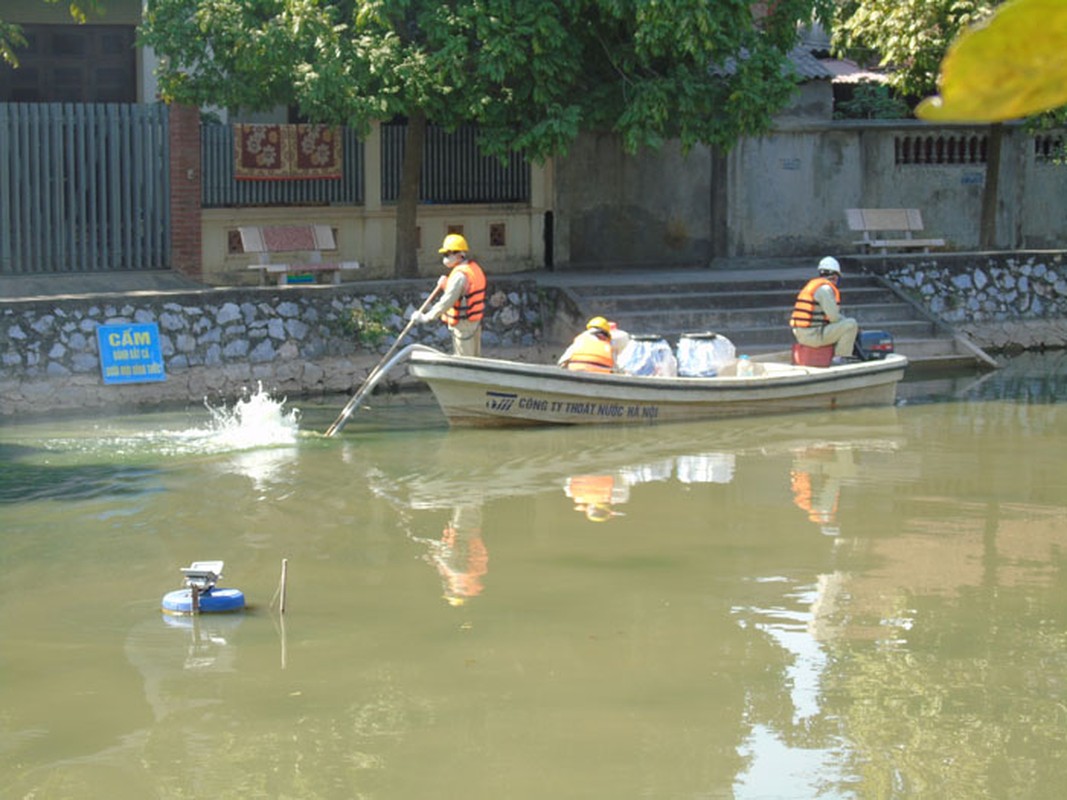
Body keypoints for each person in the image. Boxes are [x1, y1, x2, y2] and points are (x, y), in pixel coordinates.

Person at [411, 233, 487, 356]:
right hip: (473, 323)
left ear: (459, 255)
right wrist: (447, 285)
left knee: (465, 362)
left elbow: (446, 302)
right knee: (474, 358)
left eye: (447, 254)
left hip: (464, 325)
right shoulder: (473, 268)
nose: (445, 258)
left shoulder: (459, 275)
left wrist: (426, 317)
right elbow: (463, 294)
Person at [789, 256, 859, 364]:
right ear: (835, 276)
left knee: (845, 323)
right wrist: (848, 322)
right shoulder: (825, 289)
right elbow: (834, 317)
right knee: (851, 324)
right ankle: (840, 359)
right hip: (814, 336)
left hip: (802, 335)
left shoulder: (812, 286)